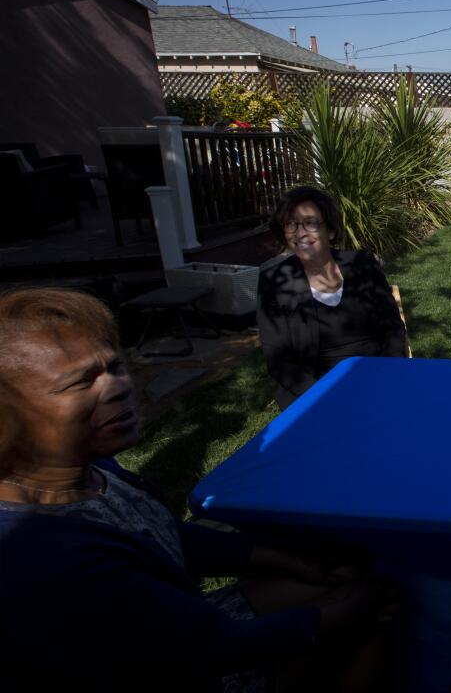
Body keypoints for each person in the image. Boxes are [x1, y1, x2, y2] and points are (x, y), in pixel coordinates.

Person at [0, 287, 393, 691]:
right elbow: (214, 645)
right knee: (378, 613)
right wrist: (338, 617)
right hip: (181, 665)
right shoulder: (38, 552)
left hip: (177, 631)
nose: (117, 386)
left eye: (114, 367)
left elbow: (159, 533)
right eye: (80, 383)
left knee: (343, 579)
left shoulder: (92, 470)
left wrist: (290, 562)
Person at [258, 186, 408, 409]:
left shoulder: (362, 265)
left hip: (377, 378)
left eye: (310, 223)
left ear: (330, 230)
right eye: (291, 224)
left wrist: (387, 377)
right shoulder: (275, 281)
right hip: (315, 394)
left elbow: (393, 329)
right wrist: (324, 398)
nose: (300, 233)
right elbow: (278, 360)